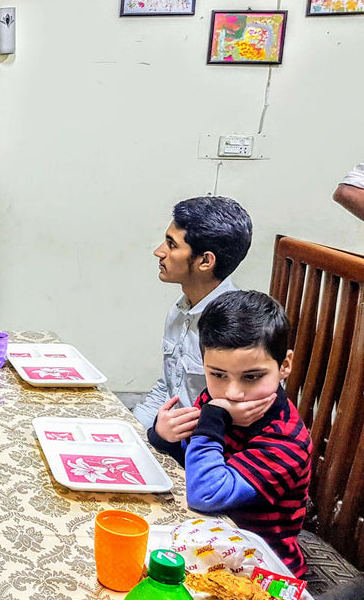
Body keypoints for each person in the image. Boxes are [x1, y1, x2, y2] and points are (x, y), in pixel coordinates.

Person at [147, 290, 312, 575]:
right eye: (218, 374)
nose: (233, 392)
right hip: (209, 547)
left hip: (259, 569)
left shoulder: (285, 441)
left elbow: (206, 493)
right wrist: (163, 437)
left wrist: (212, 416)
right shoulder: (218, 403)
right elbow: (194, 460)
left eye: (252, 377)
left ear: (284, 365)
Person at [131, 196, 254, 431]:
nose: (159, 252)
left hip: (205, 451)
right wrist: (132, 429)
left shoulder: (236, 330)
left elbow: (240, 423)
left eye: (172, 245)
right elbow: (170, 389)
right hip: (171, 434)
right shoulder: (181, 310)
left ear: (205, 261)